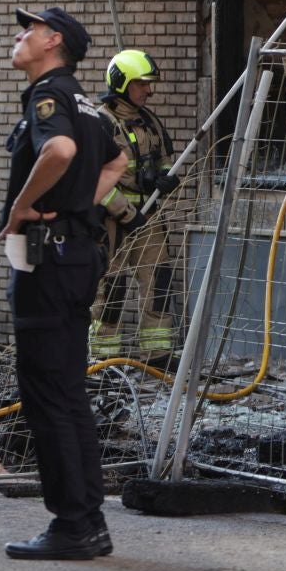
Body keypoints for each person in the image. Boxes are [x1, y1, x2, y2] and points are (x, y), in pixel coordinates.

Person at [0, 5, 128, 561]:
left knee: (47, 393)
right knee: (69, 391)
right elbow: (118, 163)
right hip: (75, 255)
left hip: (47, 261)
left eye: (29, 29)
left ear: (53, 41)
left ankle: (73, 525)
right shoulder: (89, 105)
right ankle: (88, 521)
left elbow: (60, 150)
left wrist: (22, 208)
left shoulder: (49, 97)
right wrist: (79, 205)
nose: (19, 35)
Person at [90, 49, 180, 366]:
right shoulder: (100, 124)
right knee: (111, 290)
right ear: (122, 83)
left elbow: (165, 158)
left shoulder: (150, 121)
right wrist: (127, 215)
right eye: (142, 83)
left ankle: (157, 355)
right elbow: (95, 181)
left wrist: (165, 178)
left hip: (150, 217)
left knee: (158, 283)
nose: (148, 90)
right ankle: (104, 360)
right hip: (112, 221)